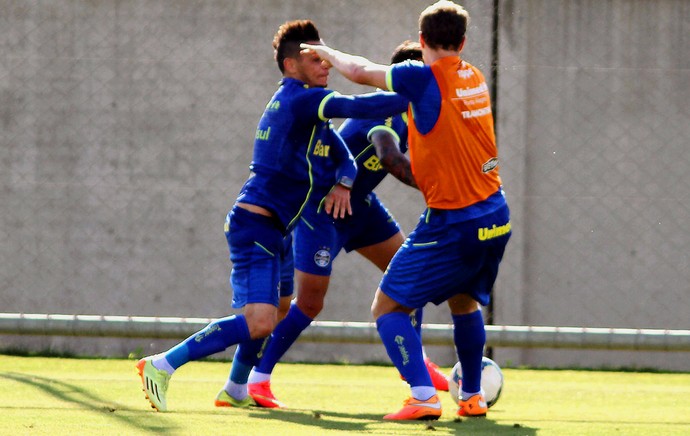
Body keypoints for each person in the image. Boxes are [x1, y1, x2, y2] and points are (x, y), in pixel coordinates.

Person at [136, 19, 410, 412]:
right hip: (257, 226)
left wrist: (344, 183)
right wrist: (414, 94)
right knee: (261, 321)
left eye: (325, 56)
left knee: (281, 309)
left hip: (279, 229)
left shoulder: (307, 115)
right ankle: (161, 365)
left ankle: (235, 387)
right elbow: (357, 106)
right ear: (290, 65)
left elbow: (344, 157)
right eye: (314, 58)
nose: (325, 64)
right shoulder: (301, 100)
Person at [302, 0, 512, 421]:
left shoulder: (421, 77)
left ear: (421, 41)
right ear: (464, 41)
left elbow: (361, 71)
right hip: (496, 215)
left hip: (453, 221)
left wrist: (329, 54)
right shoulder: (473, 76)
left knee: (387, 308)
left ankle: (422, 395)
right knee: (464, 302)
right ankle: (471, 396)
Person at [216, 41, 448, 410]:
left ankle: (414, 363)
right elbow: (389, 155)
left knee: (407, 275)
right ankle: (258, 378)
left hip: (362, 208)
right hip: (325, 210)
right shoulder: (384, 114)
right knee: (308, 303)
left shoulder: (415, 114)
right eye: (426, 77)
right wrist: (441, 188)